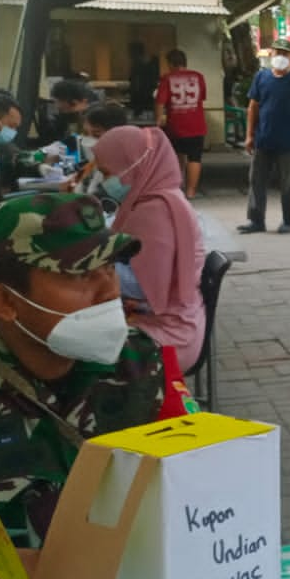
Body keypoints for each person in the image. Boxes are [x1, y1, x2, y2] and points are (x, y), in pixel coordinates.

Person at [0, 193, 166, 579]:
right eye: (80, 276)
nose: (108, 291)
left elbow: (176, 479)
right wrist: (77, 569)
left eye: (110, 267)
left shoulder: (135, 359)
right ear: (4, 301)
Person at [94, 126, 206, 373]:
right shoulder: (161, 197)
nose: (105, 182)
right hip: (180, 322)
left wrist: (89, 268)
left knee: (74, 355)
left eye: (107, 173)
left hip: (167, 338)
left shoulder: (154, 210)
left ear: (132, 166)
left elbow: (144, 286)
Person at [240, 38, 290, 234]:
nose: (281, 56)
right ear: (271, 54)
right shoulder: (261, 77)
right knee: (257, 180)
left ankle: (288, 220)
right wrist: (249, 136)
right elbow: (252, 108)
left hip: (289, 141)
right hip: (263, 139)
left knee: (289, 182)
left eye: (285, 53)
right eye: (278, 52)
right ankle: (256, 220)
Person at [155, 47, 207, 199]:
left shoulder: (167, 78)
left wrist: (159, 120)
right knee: (195, 157)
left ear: (170, 63)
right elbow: (201, 97)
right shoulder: (198, 76)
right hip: (197, 125)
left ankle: (177, 187)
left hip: (176, 126)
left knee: (177, 155)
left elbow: (160, 102)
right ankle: (191, 192)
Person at [37, 77, 95, 145]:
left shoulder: (95, 117)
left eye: (62, 109)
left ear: (75, 102)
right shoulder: (63, 119)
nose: (56, 106)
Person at [126, 41, 160, 114]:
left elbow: (135, 83)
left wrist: (129, 91)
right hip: (149, 98)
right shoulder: (152, 63)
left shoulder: (137, 64)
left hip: (139, 100)